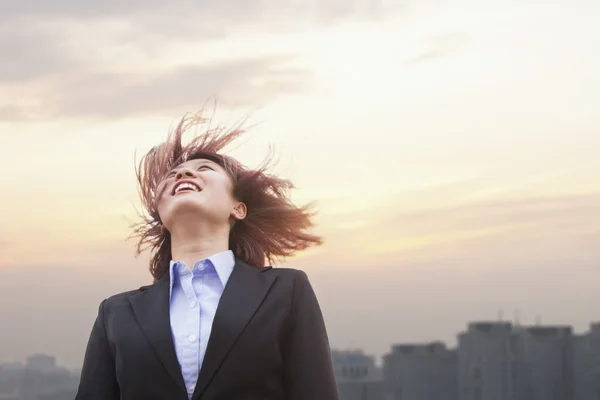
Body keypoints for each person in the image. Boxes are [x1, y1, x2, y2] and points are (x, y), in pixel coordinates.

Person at [75, 111, 339, 400]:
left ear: (238, 208)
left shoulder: (286, 291)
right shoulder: (115, 313)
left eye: (204, 169)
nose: (183, 174)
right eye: (173, 175)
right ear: (161, 215)